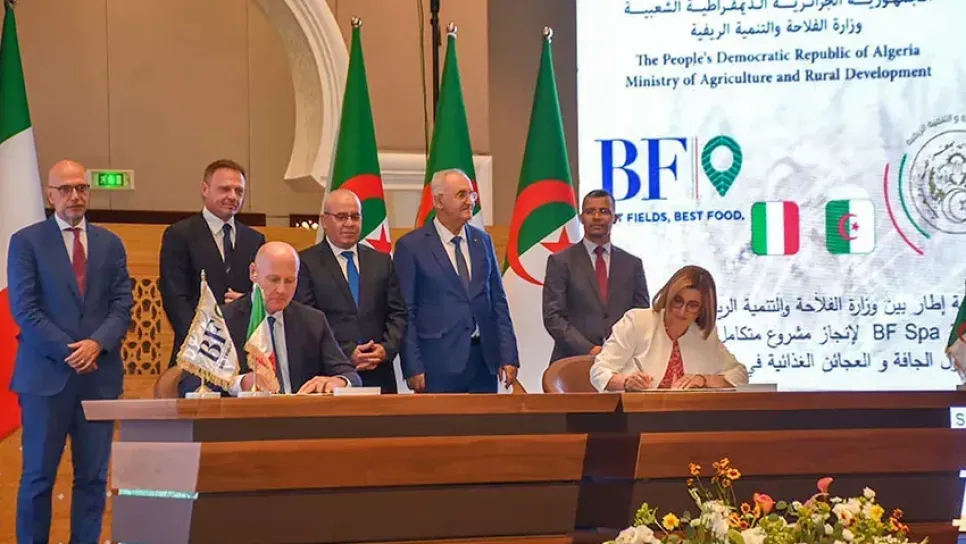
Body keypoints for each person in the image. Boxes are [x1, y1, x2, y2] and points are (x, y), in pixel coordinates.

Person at [8, 160, 133, 543]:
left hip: (99, 379)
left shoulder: (110, 244)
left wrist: (97, 345)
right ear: (50, 195)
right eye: (65, 189)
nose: (75, 196)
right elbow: (25, 309)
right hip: (46, 380)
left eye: (81, 188)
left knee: (93, 479)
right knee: (38, 478)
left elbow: (122, 305)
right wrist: (72, 350)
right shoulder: (27, 241)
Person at [179, 242, 362, 396]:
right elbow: (191, 383)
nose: (281, 290)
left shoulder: (313, 320)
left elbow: (350, 374)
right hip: (243, 422)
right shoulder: (222, 320)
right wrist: (240, 383)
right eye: (273, 279)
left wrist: (339, 381)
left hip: (300, 419)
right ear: (253, 272)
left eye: (289, 281)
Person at [394, 168, 519, 393]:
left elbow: (498, 301)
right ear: (438, 201)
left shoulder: (482, 240)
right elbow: (406, 311)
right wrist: (413, 365)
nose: (470, 201)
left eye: (472, 194)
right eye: (461, 195)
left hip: (483, 362)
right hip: (436, 365)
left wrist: (508, 355)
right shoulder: (411, 246)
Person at [295, 189, 407, 393]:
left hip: (379, 373)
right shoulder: (305, 263)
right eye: (341, 217)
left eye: (355, 217)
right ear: (325, 221)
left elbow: (397, 313)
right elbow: (306, 320)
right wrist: (347, 351)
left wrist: (386, 348)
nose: (349, 223)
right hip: (330, 374)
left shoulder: (381, 261)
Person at [160, 159, 266, 368]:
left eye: (239, 191)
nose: (232, 196)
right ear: (204, 189)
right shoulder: (180, 235)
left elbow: (263, 294)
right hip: (196, 352)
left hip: (244, 353)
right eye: (225, 189)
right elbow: (175, 298)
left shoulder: (255, 239)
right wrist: (204, 342)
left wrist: (249, 301)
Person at [590, 265, 748, 391]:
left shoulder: (704, 334)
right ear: (668, 296)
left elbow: (739, 375)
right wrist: (626, 382)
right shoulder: (637, 321)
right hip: (635, 415)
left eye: (692, 305)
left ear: (702, 310)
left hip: (688, 416)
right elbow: (599, 371)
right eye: (678, 301)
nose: (682, 311)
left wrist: (703, 380)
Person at [543, 189, 650, 363]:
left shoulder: (632, 264)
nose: (597, 217)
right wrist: (589, 349)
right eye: (590, 211)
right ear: (581, 218)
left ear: (615, 218)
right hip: (573, 360)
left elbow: (641, 315)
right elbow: (553, 317)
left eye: (604, 211)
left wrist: (618, 349)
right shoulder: (560, 262)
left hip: (622, 360)